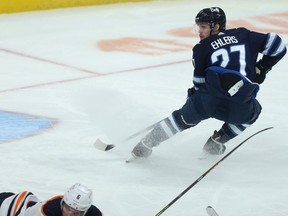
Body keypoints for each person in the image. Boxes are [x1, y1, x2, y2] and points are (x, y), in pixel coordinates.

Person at [130, 7, 286, 159]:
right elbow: (278, 46)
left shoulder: (201, 49)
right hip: (239, 103)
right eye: (199, 27)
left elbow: (199, 84)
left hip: (208, 100)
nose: (200, 31)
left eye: (203, 27)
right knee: (253, 114)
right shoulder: (244, 35)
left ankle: (145, 144)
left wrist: (191, 103)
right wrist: (263, 67)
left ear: (216, 26)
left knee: (179, 120)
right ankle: (217, 142)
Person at [0, 183, 103, 216]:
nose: (70, 214)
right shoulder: (47, 211)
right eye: (68, 209)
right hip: (8, 207)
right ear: (63, 203)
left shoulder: (93, 213)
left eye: (75, 213)